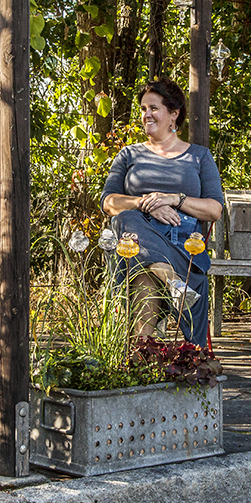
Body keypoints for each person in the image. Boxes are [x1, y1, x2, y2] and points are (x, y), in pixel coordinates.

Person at [100, 79, 225, 346]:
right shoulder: (128, 155)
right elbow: (108, 202)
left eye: (154, 108)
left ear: (174, 114)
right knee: (126, 219)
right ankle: (173, 284)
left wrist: (173, 199)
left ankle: (152, 355)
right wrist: (147, 203)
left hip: (183, 247)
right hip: (137, 242)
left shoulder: (199, 156)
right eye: (143, 109)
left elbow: (214, 209)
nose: (146, 114)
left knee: (144, 271)